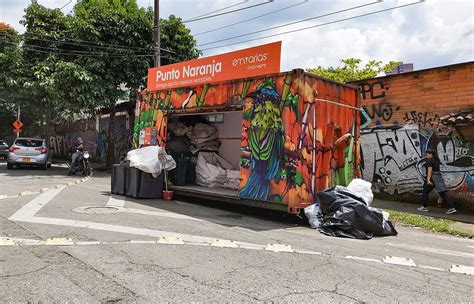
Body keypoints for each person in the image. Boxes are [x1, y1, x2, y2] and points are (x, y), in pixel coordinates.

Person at [417, 149, 457, 214]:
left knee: (425, 192)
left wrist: (428, 180)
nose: (426, 155)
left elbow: (430, 170)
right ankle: (452, 207)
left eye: (427, 154)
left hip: (432, 178)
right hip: (438, 177)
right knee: (443, 193)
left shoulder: (429, 161)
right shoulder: (436, 160)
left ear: (430, 154)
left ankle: (424, 207)